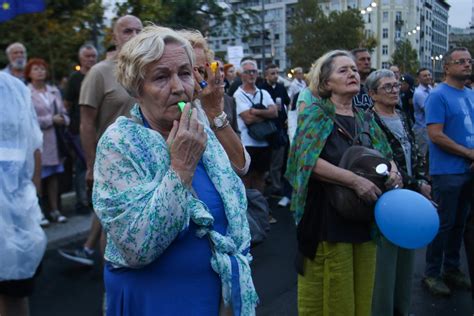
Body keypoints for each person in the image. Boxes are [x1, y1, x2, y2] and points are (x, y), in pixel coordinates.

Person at [93, 25, 258, 315]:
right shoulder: (119, 143)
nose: (179, 87)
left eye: (184, 73)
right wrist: (181, 167)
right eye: (160, 77)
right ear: (136, 87)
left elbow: (238, 179)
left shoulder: (196, 124)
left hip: (211, 296)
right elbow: (138, 246)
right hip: (155, 299)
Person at [285, 50, 401, 316]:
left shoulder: (365, 116)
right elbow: (304, 160)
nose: (352, 74)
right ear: (326, 83)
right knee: (335, 294)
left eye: (354, 69)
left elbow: (386, 154)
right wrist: (354, 181)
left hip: (364, 218)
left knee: (362, 291)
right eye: (343, 70)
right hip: (328, 220)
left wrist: (393, 172)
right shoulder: (317, 114)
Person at [58, 15, 142, 266]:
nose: (135, 36)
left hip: (146, 161)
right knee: (113, 228)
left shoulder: (147, 68)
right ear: (114, 37)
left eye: (139, 30)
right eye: (128, 31)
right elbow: (85, 123)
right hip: (112, 163)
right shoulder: (99, 73)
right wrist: (93, 165)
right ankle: (112, 286)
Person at [366, 69, 431, 316]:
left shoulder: (402, 115)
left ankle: (401, 308)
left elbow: (414, 151)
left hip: (411, 193)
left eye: (396, 85)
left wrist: (423, 179)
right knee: (385, 262)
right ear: (372, 93)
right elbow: (383, 160)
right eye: (388, 87)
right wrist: (417, 184)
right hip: (388, 198)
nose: (395, 90)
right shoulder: (368, 120)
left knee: (407, 257)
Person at [423, 47, 474, 296]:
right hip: (447, 171)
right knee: (443, 224)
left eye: (469, 61)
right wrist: (467, 153)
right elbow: (435, 135)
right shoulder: (438, 95)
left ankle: (452, 268)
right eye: (460, 61)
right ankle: (432, 273)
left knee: (460, 223)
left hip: (468, 170)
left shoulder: (470, 94)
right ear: (447, 67)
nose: (467, 65)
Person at [0, 72, 46, 316]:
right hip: (16, 207)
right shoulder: (15, 88)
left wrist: (31, 196)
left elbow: (34, 146)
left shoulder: (13, 89)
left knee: (14, 290)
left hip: (15, 207)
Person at [177, 29, 248, 169]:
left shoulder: (203, 108)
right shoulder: (162, 112)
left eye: (201, 71)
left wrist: (214, 112)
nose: (195, 79)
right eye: (187, 71)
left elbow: (242, 165)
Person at [26, 58, 69, 225]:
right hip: (38, 141)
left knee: (53, 177)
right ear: (29, 73)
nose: (40, 71)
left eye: (42, 68)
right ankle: (39, 212)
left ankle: (55, 210)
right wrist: (50, 119)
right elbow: (28, 118)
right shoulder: (26, 92)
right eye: (36, 69)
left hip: (55, 140)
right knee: (38, 177)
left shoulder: (54, 91)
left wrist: (64, 119)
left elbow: (64, 113)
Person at [63, 43, 98, 214]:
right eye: (87, 56)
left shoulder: (99, 74)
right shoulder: (75, 78)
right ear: (80, 58)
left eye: (93, 56)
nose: (90, 59)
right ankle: (81, 201)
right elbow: (67, 102)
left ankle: (95, 199)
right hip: (79, 130)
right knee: (83, 166)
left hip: (99, 129)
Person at [234, 59, 278, 194]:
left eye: (254, 71)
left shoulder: (263, 93)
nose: (251, 75)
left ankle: (260, 207)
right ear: (242, 75)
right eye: (247, 72)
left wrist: (256, 112)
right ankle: (249, 211)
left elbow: (275, 112)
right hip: (246, 143)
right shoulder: (238, 95)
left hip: (264, 143)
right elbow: (247, 119)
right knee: (246, 178)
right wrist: (266, 114)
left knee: (260, 177)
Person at [259, 63, 291, 206]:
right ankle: (267, 186)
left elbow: (287, 104)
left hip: (280, 131)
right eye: (272, 73)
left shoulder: (281, 88)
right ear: (266, 75)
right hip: (266, 132)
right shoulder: (262, 90)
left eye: (277, 73)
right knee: (267, 162)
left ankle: (276, 187)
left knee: (278, 161)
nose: (275, 76)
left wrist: (288, 117)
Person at [413, 68, 433, 157]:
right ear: (419, 79)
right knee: (424, 155)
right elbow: (429, 110)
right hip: (422, 129)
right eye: (425, 76)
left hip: (430, 127)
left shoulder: (431, 88)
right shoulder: (419, 93)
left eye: (429, 75)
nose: (428, 77)